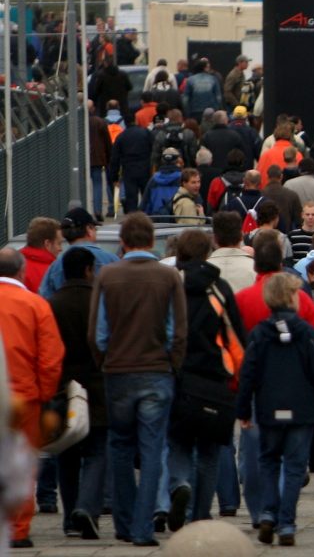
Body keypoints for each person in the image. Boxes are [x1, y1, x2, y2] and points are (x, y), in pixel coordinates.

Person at [88, 213, 188, 547]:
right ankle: (144, 527)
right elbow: (177, 330)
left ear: (123, 241)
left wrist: (106, 361)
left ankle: (124, 521)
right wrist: (171, 364)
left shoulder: (108, 276)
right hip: (157, 371)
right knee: (152, 449)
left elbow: (98, 332)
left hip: (118, 371)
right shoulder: (168, 276)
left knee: (119, 446)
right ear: (150, 241)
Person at [236, 273, 314, 547]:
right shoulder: (306, 333)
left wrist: (244, 409)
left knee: (268, 461)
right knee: (294, 467)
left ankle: (268, 511)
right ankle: (287, 522)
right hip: (301, 409)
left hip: (268, 408)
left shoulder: (259, 334)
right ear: (292, 298)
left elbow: (248, 374)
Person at [166, 229, 246, 529]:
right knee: (210, 450)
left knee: (177, 443)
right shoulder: (219, 288)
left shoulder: (170, 284)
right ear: (207, 252)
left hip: (177, 376)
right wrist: (239, 379)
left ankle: (179, 485)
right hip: (214, 378)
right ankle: (200, 514)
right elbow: (235, 338)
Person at [0, 248, 65, 549]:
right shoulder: (35, 305)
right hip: (24, 397)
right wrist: (45, 394)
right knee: (22, 462)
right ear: (22, 271)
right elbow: (51, 357)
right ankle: (18, 528)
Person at [47, 247, 109, 540]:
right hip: (97, 384)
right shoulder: (99, 300)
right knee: (97, 451)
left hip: (63, 387)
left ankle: (70, 517)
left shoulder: (52, 303)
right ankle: (87, 508)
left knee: (66, 453)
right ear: (88, 270)